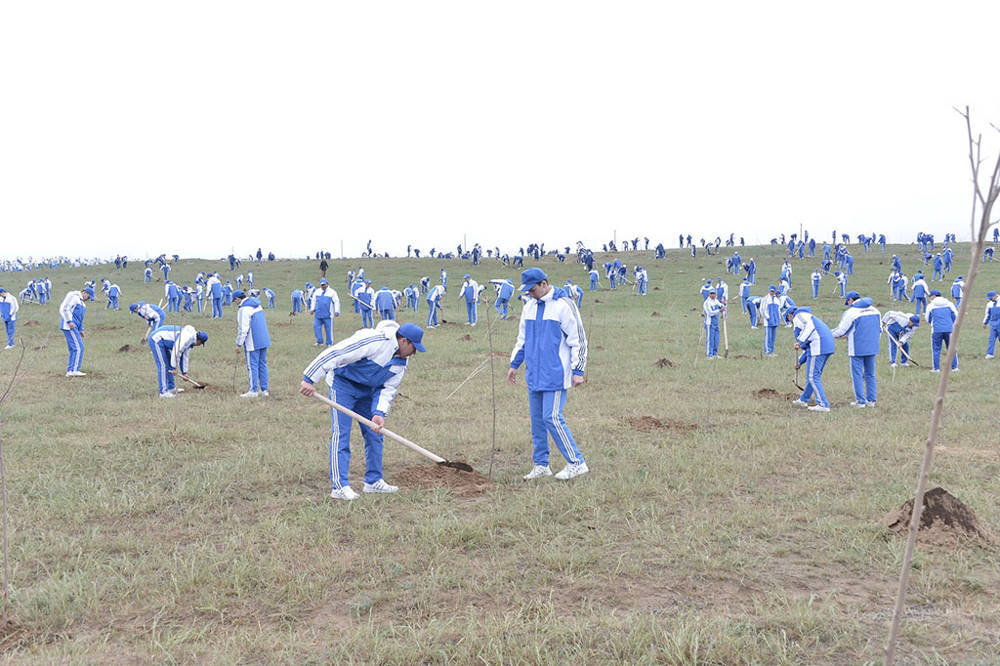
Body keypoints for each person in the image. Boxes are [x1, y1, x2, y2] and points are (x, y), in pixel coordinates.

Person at [299, 321, 427, 500]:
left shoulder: (401, 363)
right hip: (343, 385)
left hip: (369, 391)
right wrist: (309, 378)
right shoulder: (373, 340)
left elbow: (387, 389)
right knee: (341, 433)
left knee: (375, 433)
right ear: (404, 341)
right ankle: (339, 486)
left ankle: (373, 481)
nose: (414, 353)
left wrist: (379, 413)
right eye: (414, 348)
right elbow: (336, 353)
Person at [507, 268, 589, 481]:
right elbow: (522, 338)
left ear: (544, 284)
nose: (530, 294)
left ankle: (576, 462)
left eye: (532, 290)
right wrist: (515, 364)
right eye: (527, 292)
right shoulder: (529, 306)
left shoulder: (564, 305)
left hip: (555, 373)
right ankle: (541, 464)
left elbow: (578, 340)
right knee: (537, 421)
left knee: (552, 417)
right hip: (534, 374)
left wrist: (578, 370)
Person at [831, 291, 882, 407]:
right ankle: (871, 400)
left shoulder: (851, 312)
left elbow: (841, 331)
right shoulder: (875, 310)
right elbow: (880, 329)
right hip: (872, 346)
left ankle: (861, 401)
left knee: (857, 374)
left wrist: (828, 334)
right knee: (870, 374)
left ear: (850, 300)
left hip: (857, 348)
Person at [787, 306, 835, 412]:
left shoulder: (798, 317)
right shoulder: (811, 317)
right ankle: (804, 399)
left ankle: (823, 404)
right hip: (827, 346)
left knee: (813, 377)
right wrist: (800, 361)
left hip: (818, 346)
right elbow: (808, 346)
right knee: (813, 376)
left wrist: (799, 341)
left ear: (790, 315)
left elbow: (809, 328)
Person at [149, 325, 208, 397]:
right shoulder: (186, 338)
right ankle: (163, 392)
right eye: (201, 344)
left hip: (163, 342)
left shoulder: (190, 340)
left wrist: (184, 373)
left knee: (169, 365)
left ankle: (171, 388)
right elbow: (176, 351)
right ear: (199, 341)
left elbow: (185, 356)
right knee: (163, 366)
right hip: (156, 339)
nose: (199, 345)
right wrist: (174, 368)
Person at [234, 290, 271, 398]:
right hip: (264, 339)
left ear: (237, 299)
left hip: (252, 341)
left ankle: (253, 390)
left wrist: (238, 344)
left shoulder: (243, 309)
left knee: (252, 366)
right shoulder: (257, 304)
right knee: (262, 364)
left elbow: (243, 329)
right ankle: (264, 390)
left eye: (235, 300)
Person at [59, 288, 92, 377]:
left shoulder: (83, 305)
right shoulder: (74, 296)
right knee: (79, 347)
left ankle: (70, 370)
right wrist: (69, 321)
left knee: (74, 348)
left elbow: (80, 318)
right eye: (88, 296)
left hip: (75, 328)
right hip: (69, 326)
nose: (88, 299)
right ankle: (74, 370)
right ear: (85, 293)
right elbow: (65, 308)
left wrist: (81, 330)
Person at [925, 289, 958, 372]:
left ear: (934, 296)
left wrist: (932, 324)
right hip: (949, 329)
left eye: (930, 296)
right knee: (951, 348)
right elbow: (955, 315)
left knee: (936, 350)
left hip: (936, 330)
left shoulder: (930, 306)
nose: (930, 298)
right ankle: (954, 367)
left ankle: (936, 368)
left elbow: (927, 318)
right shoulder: (949, 304)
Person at [310, 278, 341, 345]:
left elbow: (336, 301)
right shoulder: (317, 292)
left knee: (328, 329)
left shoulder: (332, 292)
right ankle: (319, 341)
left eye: (324, 284)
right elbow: (313, 300)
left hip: (328, 315)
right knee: (316, 327)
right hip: (318, 314)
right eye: (322, 285)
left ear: (327, 284)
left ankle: (329, 343)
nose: (323, 286)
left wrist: (337, 311)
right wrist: (312, 309)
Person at [703, 289, 724, 358]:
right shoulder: (707, 303)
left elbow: (720, 305)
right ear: (709, 294)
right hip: (710, 323)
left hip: (716, 323)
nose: (712, 295)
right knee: (710, 339)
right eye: (711, 294)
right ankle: (709, 354)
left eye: (714, 294)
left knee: (716, 339)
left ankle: (715, 354)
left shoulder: (716, 301)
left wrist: (722, 306)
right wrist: (719, 310)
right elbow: (710, 313)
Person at [983, 291, 1000, 359]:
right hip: (993, 325)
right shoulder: (989, 304)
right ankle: (990, 354)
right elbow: (988, 314)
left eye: (991, 298)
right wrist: (985, 323)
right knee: (991, 339)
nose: (990, 299)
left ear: (995, 296)